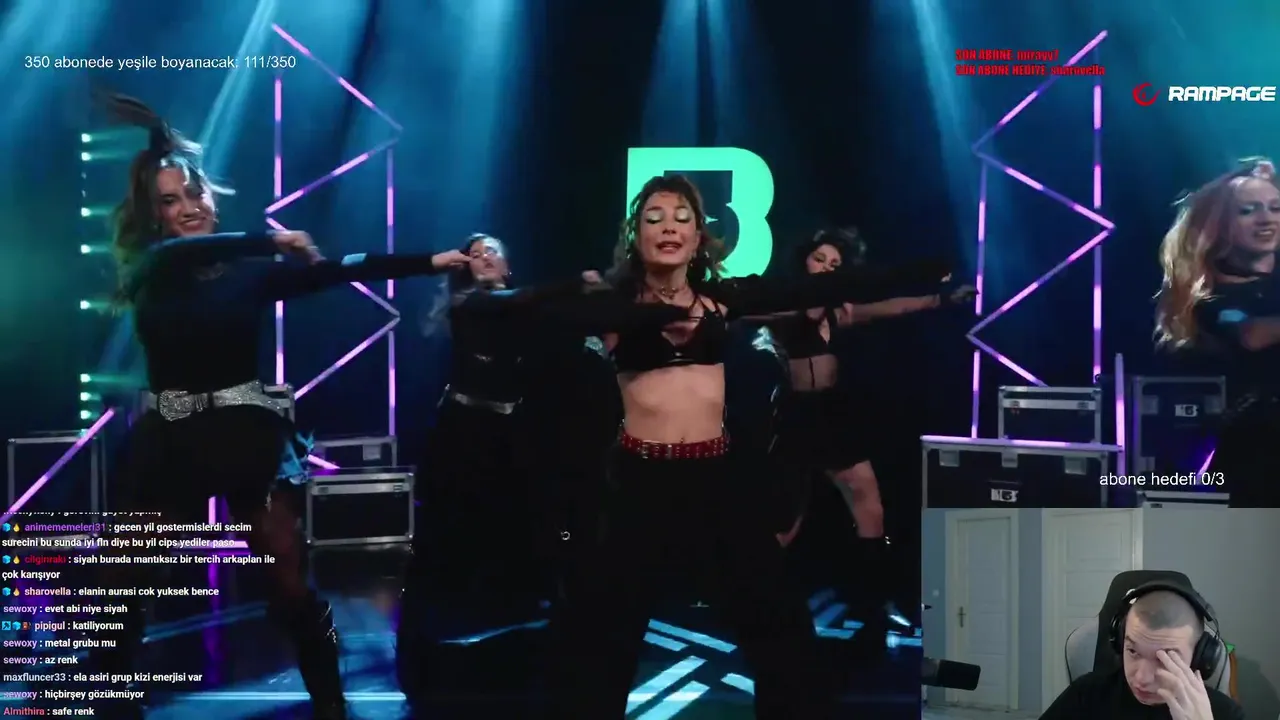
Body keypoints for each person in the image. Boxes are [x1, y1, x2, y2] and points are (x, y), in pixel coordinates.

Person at [90, 93, 470, 720]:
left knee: (288, 580)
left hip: (242, 433)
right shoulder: (152, 266)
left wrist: (431, 261)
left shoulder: (249, 272)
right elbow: (180, 253)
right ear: (154, 215)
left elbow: (343, 269)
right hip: (172, 440)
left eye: (195, 194)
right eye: (171, 201)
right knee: (123, 583)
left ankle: (331, 704)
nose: (189, 207)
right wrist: (267, 240)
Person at [548, 174, 952, 718]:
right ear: (635, 235)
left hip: (715, 478)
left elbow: (812, 291)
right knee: (602, 641)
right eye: (654, 217)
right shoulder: (613, 304)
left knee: (781, 628)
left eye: (682, 218)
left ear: (698, 238)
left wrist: (918, 275)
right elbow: (542, 312)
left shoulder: (720, 300)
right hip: (639, 484)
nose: (668, 226)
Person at [766, 228, 972, 648]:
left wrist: (940, 300)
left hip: (833, 416)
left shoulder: (840, 311)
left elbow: (890, 307)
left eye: (835, 265)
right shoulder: (785, 304)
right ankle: (756, 596)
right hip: (795, 419)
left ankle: (876, 602)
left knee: (870, 508)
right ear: (805, 261)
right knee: (785, 522)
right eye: (820, 260)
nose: (826, 268)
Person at [1155, 157, 1280, 506]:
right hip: (1260, 450)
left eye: (1275, 208)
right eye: (1248, 211)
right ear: (1222, 225)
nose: (1266, 219)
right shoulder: (1209, 298)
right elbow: (1251, 335)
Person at [1039, 584, 1244, 719]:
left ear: (1199, 657)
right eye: (1133, 651)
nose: (1141, 678)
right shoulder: (1085, 696)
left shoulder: (1225, 714)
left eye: (1164, 659)